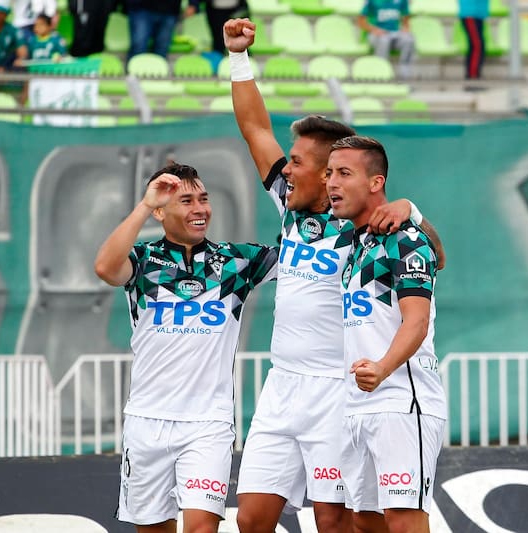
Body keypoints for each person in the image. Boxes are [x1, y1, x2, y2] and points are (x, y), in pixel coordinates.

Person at [223, 18, 446, 533]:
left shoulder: (366, 223)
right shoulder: (290, 206)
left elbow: (433, 256)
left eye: (297, 163)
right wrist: (238, 58)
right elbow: (255, 129)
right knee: (251, 518)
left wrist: (412, 210)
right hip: (282, 382)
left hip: (338, 385)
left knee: (337, 520)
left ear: (328, 174)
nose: (285, 170)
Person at [94, 163, 278, 532]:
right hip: (146, 421)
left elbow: (307, 256)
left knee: (201, 528)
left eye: (204, 199)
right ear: (160, 211)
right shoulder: (142, 260)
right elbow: (105, 268)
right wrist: (145, 205)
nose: (200, 209)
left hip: (208, 423)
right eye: (186, 201)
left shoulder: (238, 261)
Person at [326, 135, 446, 533]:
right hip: (357, 404)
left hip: (401, 402)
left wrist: (381, 367)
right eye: (329, 173)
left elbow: (417, 322)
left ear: (376, 182)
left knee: (404, 521)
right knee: (364, 521)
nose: (332, 183)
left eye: (344, 173)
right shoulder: (355, 244)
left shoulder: (405, 240)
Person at [356, 0, 415, 78]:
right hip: (376, 34)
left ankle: (405, 72)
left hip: (394, 34)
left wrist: (405, 28)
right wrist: (374, 29)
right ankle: (382, 72)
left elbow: (406, 16)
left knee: (409, 39)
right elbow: (360, 21)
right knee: (384, 40)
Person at [458, 0, 489, 82]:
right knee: (477, 46)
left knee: (477, 46)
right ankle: (473, 76)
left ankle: (474, 75)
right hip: (470, 14)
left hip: (477, 14)